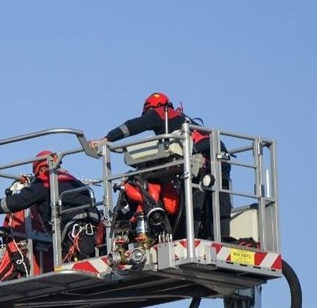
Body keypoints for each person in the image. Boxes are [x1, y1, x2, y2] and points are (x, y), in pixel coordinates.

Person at [90, 92, 232, 238]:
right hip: (218, 151)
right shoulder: (181, 118)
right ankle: (222, 235)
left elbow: (132, 126)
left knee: (193, 195)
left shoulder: (158, 113)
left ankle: (190, 237)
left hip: (199, 154)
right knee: (219, 193)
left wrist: (105, 139)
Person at [0, 151, 102, 262]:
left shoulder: (46, 179)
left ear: (41, 169)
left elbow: (20, 200)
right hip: (93, 233)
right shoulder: (72, 180)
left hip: (74, 235)